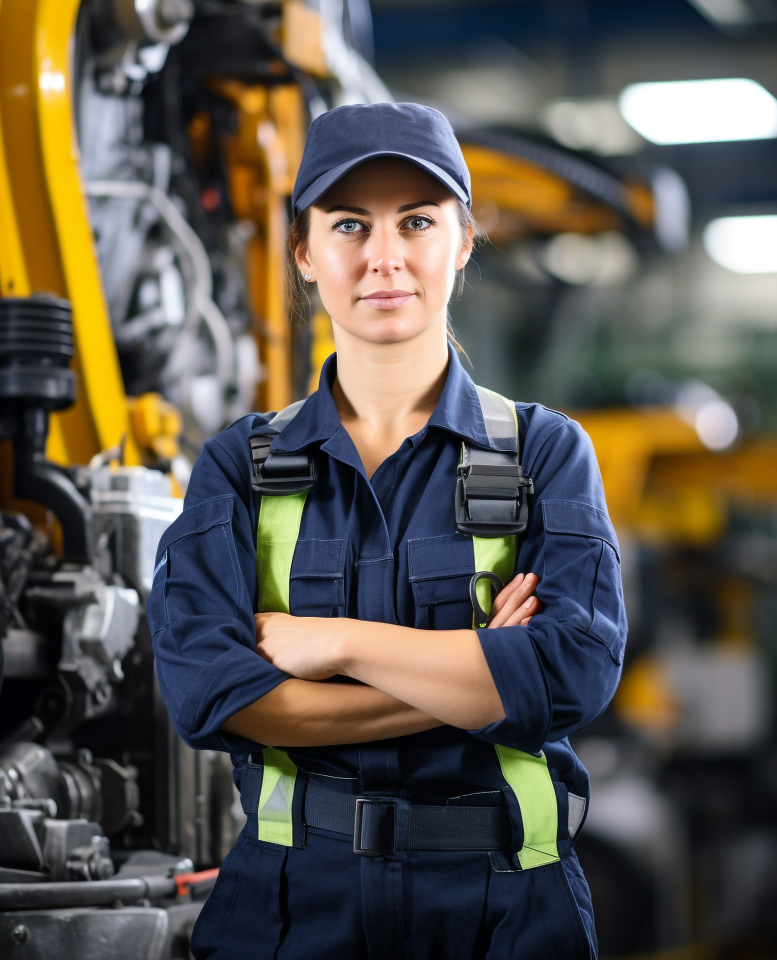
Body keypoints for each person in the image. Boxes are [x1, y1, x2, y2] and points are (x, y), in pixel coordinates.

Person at [148, 101, 626, 959]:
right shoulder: (238, 469)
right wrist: (474, 682)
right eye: (347, 225)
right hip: (292, 913)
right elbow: (212, 695)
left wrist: (332, 643)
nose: (384, 258)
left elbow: (568, 674)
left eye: (416, 221)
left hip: (507, 911)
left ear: (464, 238)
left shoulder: (544, 454)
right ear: (303, 251)